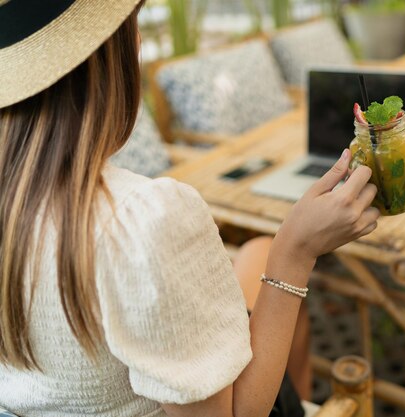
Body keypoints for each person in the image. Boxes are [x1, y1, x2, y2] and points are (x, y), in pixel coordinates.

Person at [0, 1, 380, 416]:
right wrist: (296, 250)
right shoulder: (141, 219)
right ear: (110, 59)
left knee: (254, 252)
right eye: (132, 28)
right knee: (269, 257)